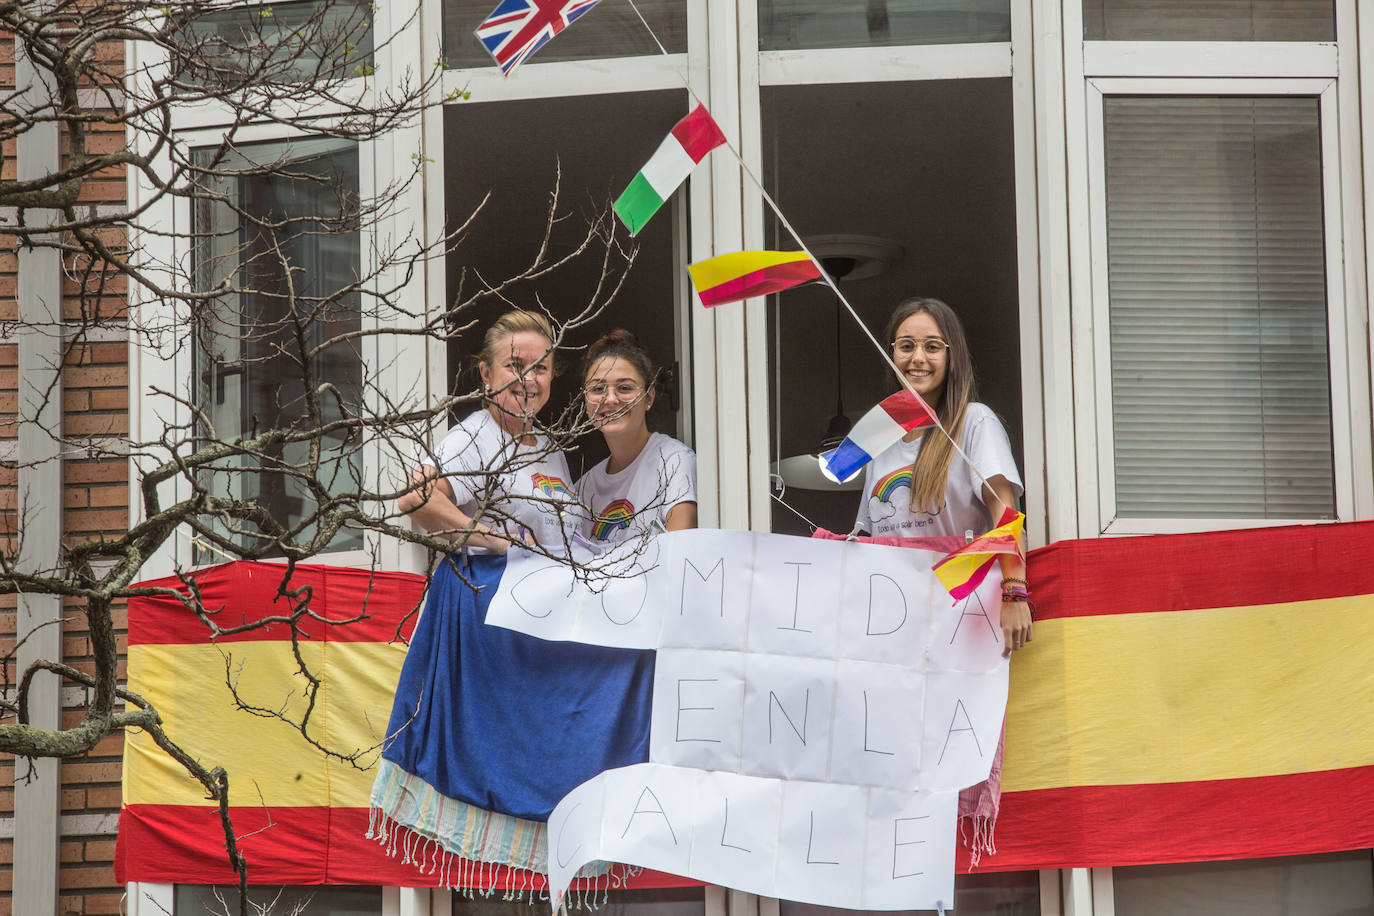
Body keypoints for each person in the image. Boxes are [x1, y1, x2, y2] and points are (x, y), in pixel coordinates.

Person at [371, 310, 654, 881]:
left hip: (544, 616)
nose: (529, 379)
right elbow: (416, 498)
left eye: (542, 368)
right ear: (485, 374)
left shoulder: (547, 447)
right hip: (497, 622)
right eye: (515, 366)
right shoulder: (478, 435)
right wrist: (494, 540)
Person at [854, 297, 1033, 655]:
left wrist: (1015, 591)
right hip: (895, 625)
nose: (917, 358)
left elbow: (1007, 516)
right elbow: (867, 535)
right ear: (892, 354)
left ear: (952, 357)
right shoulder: (878, 438)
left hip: (963, 620)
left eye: (932, 347)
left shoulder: (974, 422)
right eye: (906, 346)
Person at [577, 329, 697, 543]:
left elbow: (680, 555)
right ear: (586, 400)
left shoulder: (674, 462)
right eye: (598, 388)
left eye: (624, 388)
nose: (611, 398)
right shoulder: (583, 488)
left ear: (649, 397)